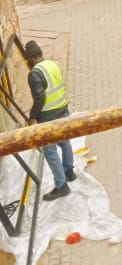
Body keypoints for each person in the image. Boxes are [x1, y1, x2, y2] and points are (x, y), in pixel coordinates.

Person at [24, 40, 76, 201]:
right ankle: (69, 172)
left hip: (48, 116)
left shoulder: (35, 74)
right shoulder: (54, 64)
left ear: (30, 58)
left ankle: (61, 186)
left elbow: (40, 97)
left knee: (50, 151)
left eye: (27, 60)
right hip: (63, 109)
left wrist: (32, 116)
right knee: (65, 141)